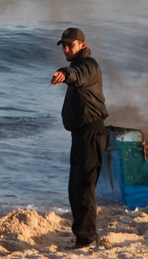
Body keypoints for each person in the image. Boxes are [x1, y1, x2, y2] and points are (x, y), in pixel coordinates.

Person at [50, 27, 109, 249]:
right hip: (81, 136)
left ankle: (86, 240)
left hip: (90, 133)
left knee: (84, 186)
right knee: (76, 187)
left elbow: (78, 75)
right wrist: (67, 72)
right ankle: (83, 237)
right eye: (63, 46)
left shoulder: (89, 65)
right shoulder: (78, 66)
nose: (66, 49)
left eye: (70, 45)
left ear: (82, 45)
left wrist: (65, 74)